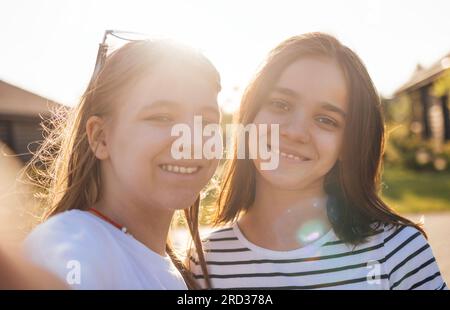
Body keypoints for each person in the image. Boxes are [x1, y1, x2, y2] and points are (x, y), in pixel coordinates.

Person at [190, 32, 447, 290]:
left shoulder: (395, 250)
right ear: (249, 116)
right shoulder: (204, 262)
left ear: (348, 144)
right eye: (280, 104)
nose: (296, 132)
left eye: (326, 120)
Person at [24, 35, 221, 289]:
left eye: (206, 122)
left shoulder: (170, 270)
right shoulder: (72, 244)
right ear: (101, 137)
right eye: (162, 117)